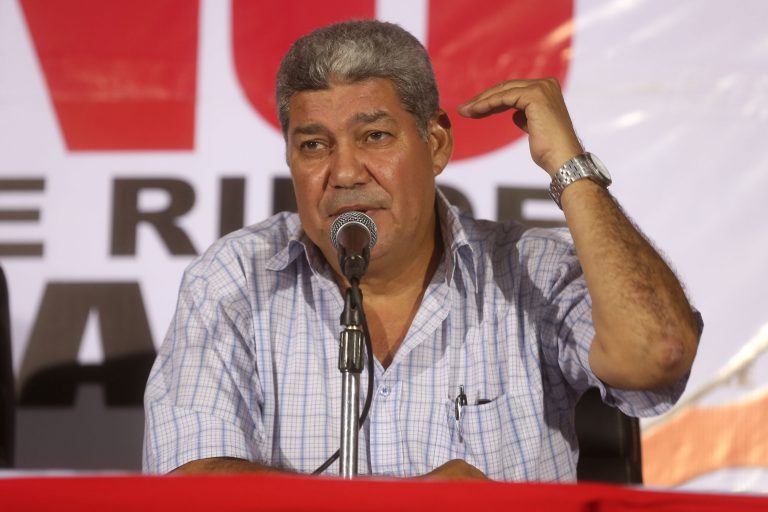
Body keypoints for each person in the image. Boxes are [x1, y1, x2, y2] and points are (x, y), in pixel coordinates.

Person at [143, 19, 701, 481]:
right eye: (314, 145)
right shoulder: (236, 278)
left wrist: (569, 166)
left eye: (375, 136)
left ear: (434, 144)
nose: (344, 172)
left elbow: (658, 352)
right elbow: (187, 481)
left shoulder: (531, 271)